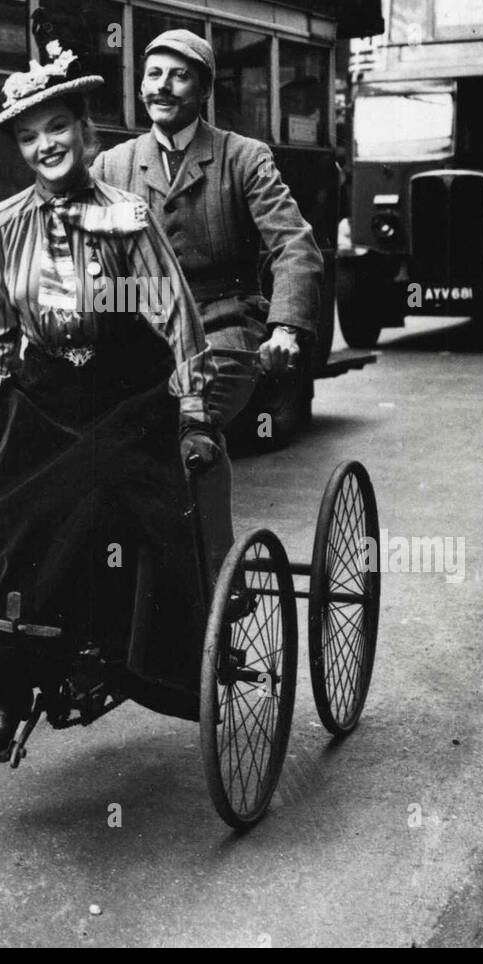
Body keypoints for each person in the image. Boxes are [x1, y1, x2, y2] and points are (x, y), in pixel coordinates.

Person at [0, 42, 220, 759]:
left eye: (58, 127)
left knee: (91, 506)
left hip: (124, 393)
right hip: (42, 394)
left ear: (83, 131)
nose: (46, 145)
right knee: (3, 517)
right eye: (30, 136)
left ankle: (96, 658)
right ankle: (6, 690)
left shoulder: (126, 216)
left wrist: (192, 413)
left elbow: (174, 317)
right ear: (17, 147)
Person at [92, 29, 324, 575]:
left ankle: (214, 574)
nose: (163, 87)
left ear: (203, 90)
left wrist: (285, 328)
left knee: (187, 430)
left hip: (225, 330)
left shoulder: (244, 159)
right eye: (153, 74)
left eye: (179, 76)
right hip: (142, 335)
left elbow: (296, 246)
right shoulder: (112, 166)